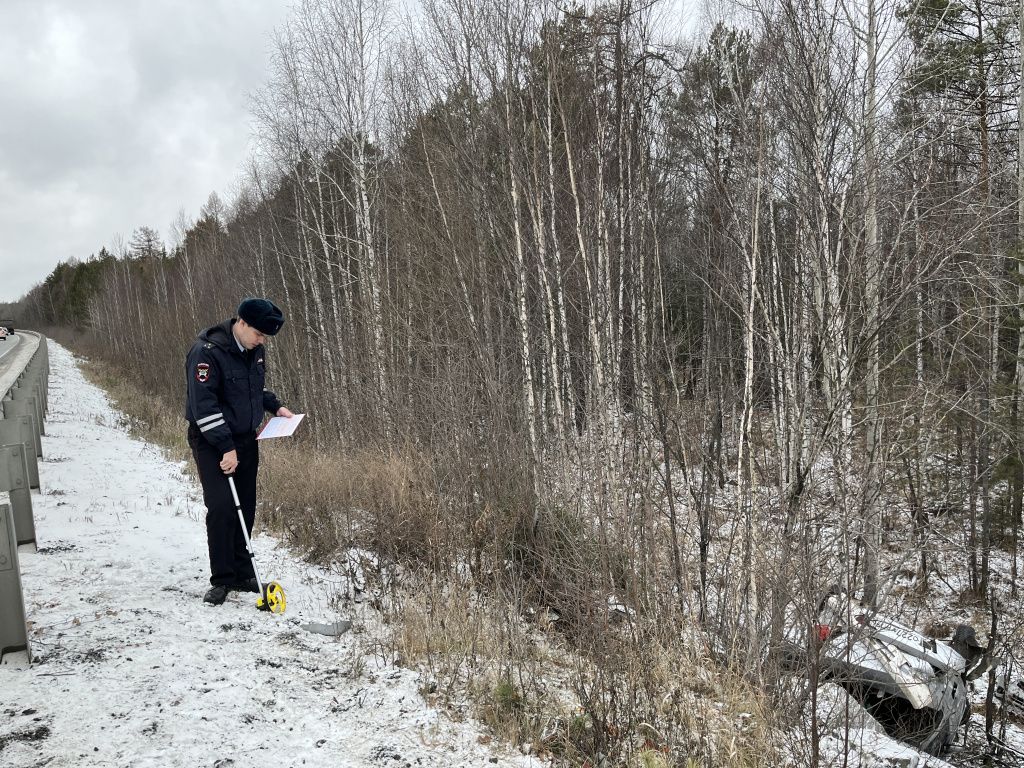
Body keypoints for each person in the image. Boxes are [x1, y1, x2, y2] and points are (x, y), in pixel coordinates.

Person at [185, 298, 294, 605]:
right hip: (211, 440)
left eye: (265, 337)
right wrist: (225, 447)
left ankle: (243, 573)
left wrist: (275, 406)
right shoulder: (206, 353)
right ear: (242, 323)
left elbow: (250, 390)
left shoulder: (254, 350)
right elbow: (203, 405)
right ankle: (221, 579)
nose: (262, 341)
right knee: (221, 506)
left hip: (245, 439)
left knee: (245, 505)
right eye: (259, 334)